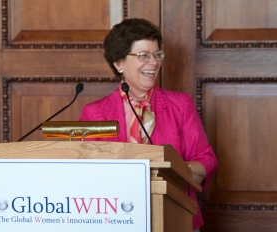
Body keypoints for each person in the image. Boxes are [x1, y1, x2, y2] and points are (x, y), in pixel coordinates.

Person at [79, 18, 218, 231]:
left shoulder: (180, 105)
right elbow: (83, 173)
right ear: (119, 63)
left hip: (175, 216)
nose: (153, 62)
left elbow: (205, 160)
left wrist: (173, 171)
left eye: (157, 54)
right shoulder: (94, 113)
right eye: (143, 55)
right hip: (115, 220)